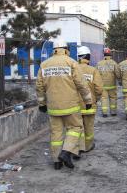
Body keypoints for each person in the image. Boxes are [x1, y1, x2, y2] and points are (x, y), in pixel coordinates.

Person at [36, 38, 92, 170]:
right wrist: (88, 101)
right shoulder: (71, 62)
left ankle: (56, 162)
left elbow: (39, 86)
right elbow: (81, 84)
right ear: (66, 50)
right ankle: (66, 152)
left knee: (56, 133)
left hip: (53, 107)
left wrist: (42, 103)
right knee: (75, 128)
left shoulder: (44, 65)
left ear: (54, 50)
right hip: (70, 106)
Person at [77, 46, 103, 154]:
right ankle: (87, 146)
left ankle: (78, 147)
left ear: (78, 57)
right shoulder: (93, 71)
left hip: (75, 105)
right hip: (89, 105)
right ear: (88, 57)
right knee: (88, 127)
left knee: (77, 128)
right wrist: (95, 99)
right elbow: (99, 88)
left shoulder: (73, 69)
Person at [96, 48, 120, 117]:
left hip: (103, 85)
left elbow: (96, 74)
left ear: (104, 55)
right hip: (112, 85)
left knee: (104, 99)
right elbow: (117, 73)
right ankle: (113, 112)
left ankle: (105, 113)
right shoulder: (114, 63)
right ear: (110, 55)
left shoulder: (99, 63)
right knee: (113, 98)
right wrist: (119, 79)